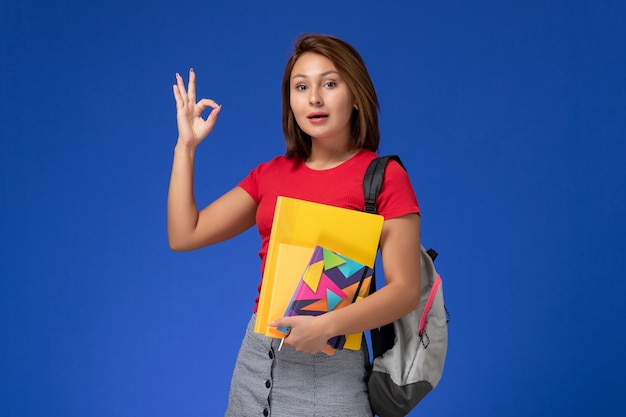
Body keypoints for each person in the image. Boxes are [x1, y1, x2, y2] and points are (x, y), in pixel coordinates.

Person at [168, 34, 421, 417]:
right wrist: (185, 147)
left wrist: (328, 324)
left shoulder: (383, 177)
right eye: (301, 86)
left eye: (330, 83)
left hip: (331, 367)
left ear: (356, 96)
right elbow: (184, 234)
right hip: (257, 362)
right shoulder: (271, 174)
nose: (314, 98)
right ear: (290, 99)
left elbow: (404, 291)